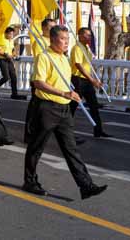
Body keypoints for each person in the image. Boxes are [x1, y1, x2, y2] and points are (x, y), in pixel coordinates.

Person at [23, 25, 107, 199]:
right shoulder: (44, 57)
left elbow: (63, 82)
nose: (66, 42)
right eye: (63, 39)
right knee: (36, 147)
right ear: (53, 39)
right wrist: (63, 93)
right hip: (47, 107)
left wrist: (71, 94)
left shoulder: (64, 58)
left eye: (68, 39)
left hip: (64, 108)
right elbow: (38, 82)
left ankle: (86, 185)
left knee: (71, 149)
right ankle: (30, 181)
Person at [70, 27, 110, 138]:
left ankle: (98, 130)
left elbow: (87, 67)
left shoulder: (86, 48)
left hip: (86, 80)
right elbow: (78, 65)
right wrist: (92, 80)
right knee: (72, 107)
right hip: (78, 80)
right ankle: (67, 133)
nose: (90, 37)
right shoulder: (77, 48)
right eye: (87, 35)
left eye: (90, 35)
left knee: (94, 105)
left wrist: (93, 79)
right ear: (80, 35)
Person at [0, 27, 24, 100]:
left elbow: (13, 49)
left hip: (9, 61)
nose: (12, 35)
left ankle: (14, 94)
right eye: (10, 34)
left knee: (14, 77)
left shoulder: (11, 41)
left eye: (12, 34)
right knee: (6, 77)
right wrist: (5, 54)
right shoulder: (2, 40)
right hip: (2, 60)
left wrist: (15, 54)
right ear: (6, 33)